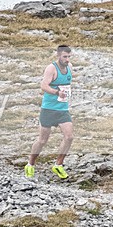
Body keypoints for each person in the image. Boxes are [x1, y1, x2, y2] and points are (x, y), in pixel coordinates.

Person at [25, 45, 74, 179]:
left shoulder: (70, 67)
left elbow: (67, 84)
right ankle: (30, 164)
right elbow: (43, 85)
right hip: (48, 109)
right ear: (58, 56)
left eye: (69, 56)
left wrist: (67, 93)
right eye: (65, 57)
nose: (67, 59)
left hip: (62, 109)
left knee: (69, 137)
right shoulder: (51, 68)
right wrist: (56, 92)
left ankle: (58, 165)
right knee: (42, 140)